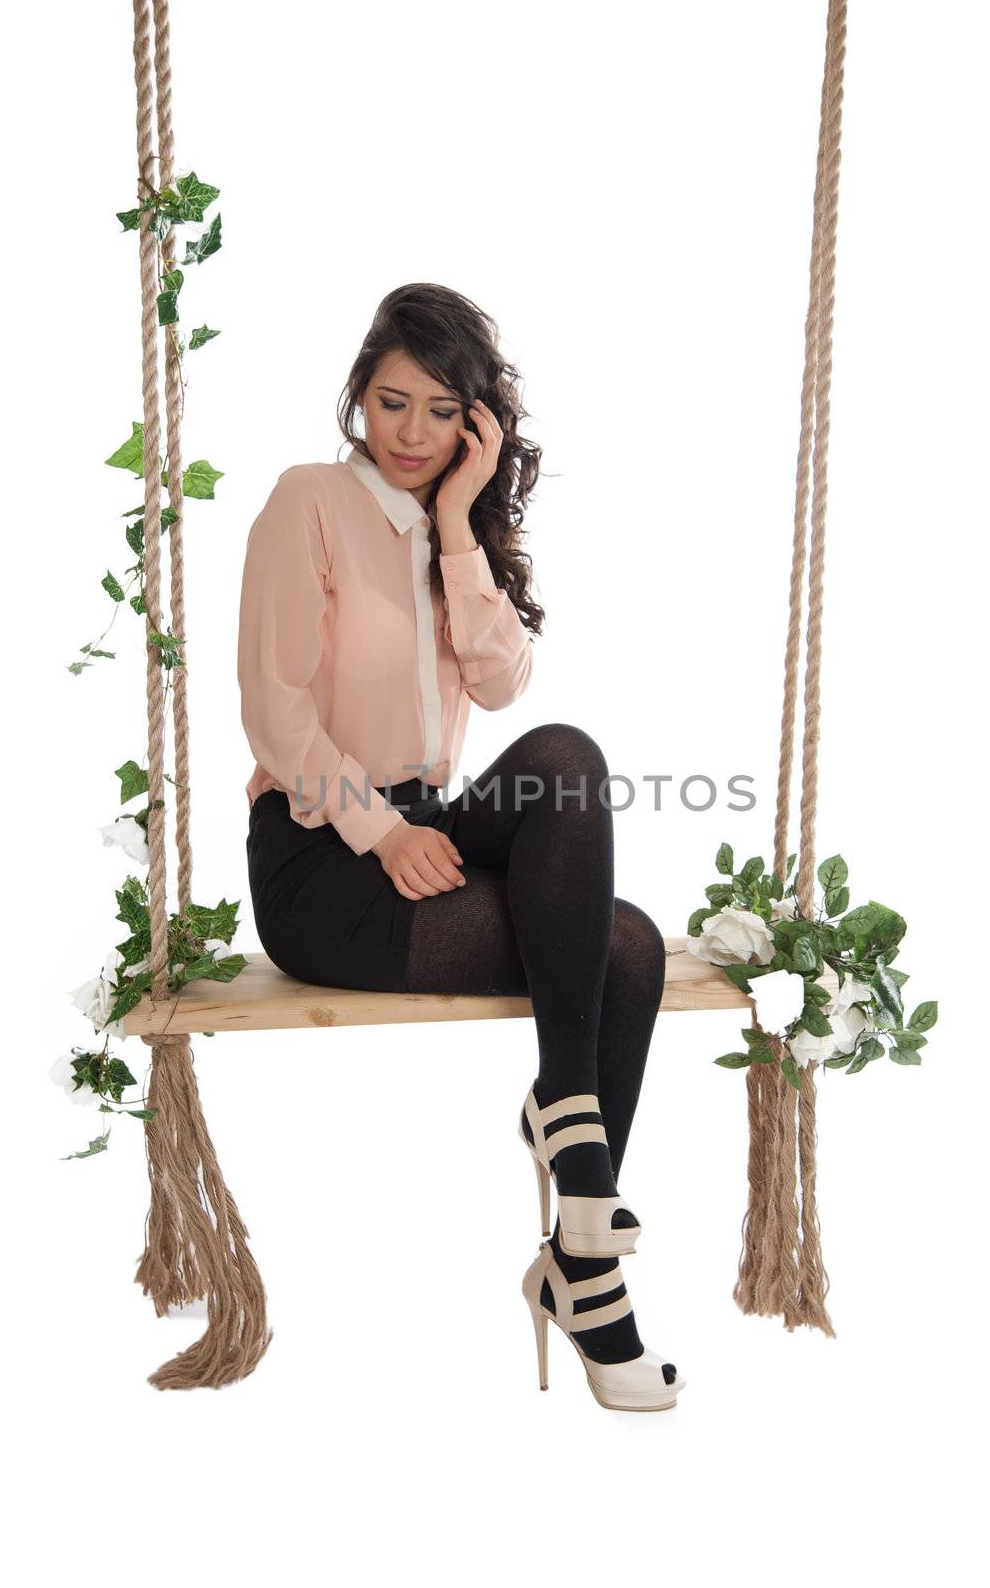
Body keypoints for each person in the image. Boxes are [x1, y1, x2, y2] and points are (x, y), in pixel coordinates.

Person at [238, 282, 686, 1411]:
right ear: (358, 394)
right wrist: (378, 828)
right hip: (319, 854)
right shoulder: (306, 503)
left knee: (579, 797)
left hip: (422, 831)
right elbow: (274, 707)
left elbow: (501, 680)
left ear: (473, 425)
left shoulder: (455, 527)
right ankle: (588, 1245)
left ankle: (575, 1217)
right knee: (618, 945)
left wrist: (456, 526)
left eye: (442, 412)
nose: (409, 432)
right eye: (391, 402)